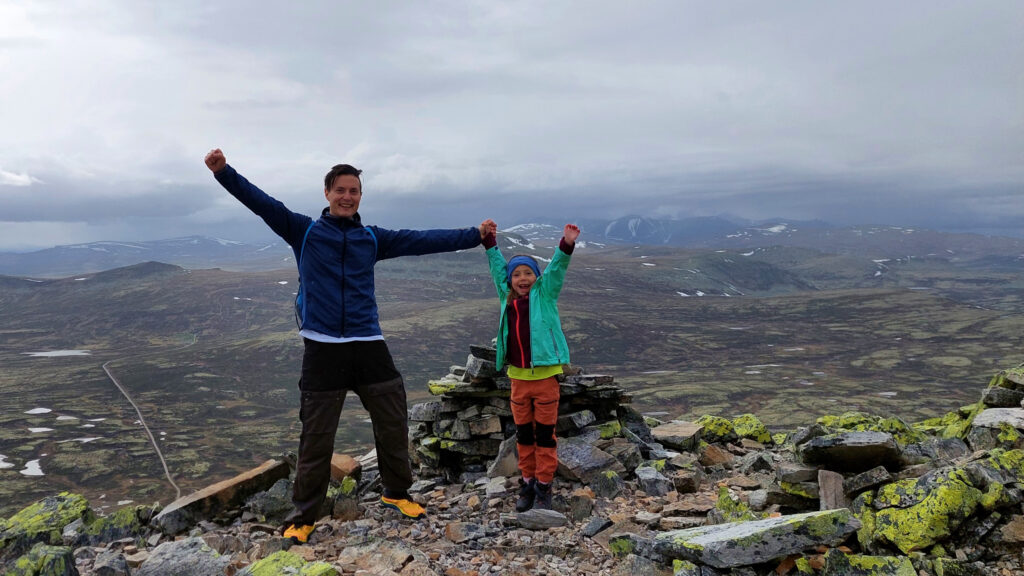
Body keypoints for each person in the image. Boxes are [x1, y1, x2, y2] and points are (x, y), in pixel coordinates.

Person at [204, 148, 491, 543]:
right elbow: (261, 203)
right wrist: (224, 172)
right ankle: (304, 516)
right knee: (318, 434)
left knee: (392, 417)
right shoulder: (303, 231)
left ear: (360, 196)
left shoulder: (371, 238)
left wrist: (474, 236)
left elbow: (422, 240)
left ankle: (396, 493)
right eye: (341, 190)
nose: (347, 196)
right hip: (323, 348)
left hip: (368, 342)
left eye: (354, 191)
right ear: (326, 193)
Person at [482, 222, 580, 511]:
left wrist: (566, 244)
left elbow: (557, 270)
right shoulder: (506, 297)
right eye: (517, 274)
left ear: (537, 277)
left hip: (546, 377)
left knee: (545, 436)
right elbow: (497, 268)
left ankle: (545, 485)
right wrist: (490, 244)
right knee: (524, 435)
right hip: (518, 379)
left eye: (528, 273)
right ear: (510, 280)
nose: (522, 278)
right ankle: (527, 482)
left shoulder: (545, 294)